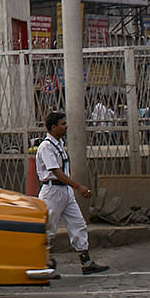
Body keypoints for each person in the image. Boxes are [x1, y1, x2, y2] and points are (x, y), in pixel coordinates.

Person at [35, 111, 108, 275]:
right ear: (53, 127)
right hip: (52, 191)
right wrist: (78, 186)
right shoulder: (46, 147)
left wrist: (72, 188)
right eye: (62, 124)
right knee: (49, 229)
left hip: (64, 191)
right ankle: (43, 265)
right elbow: (57, 171)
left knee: (78, 224)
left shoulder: (58, 144)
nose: (65, 126)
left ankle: (86, 262)